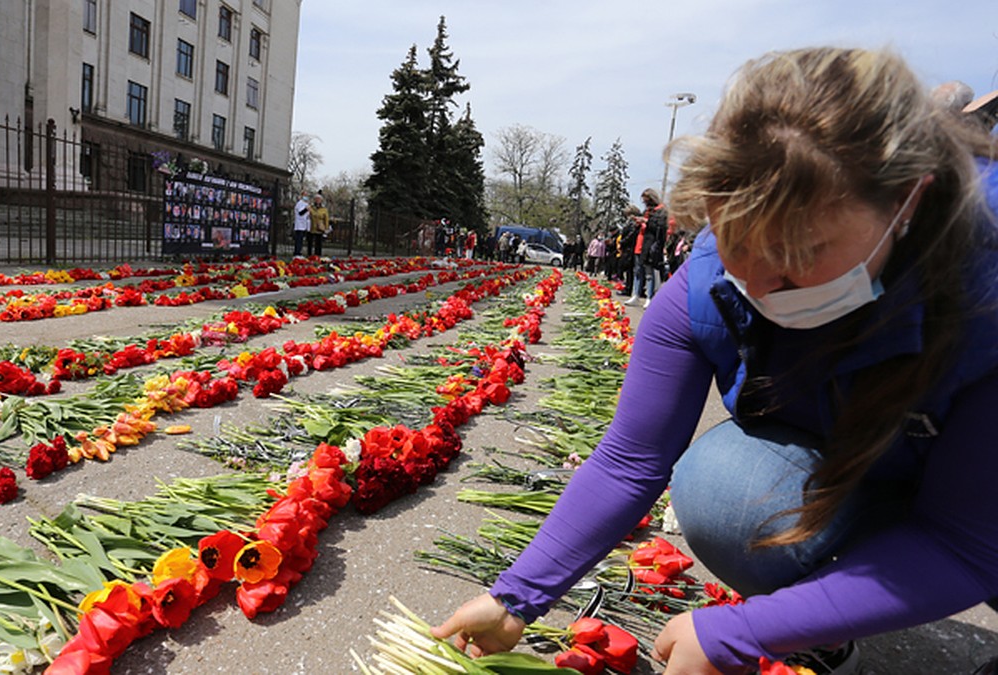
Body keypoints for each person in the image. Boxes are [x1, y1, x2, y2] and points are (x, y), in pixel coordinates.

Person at [433, 46, 998, 675]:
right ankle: (825, 617)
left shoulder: (987, 290)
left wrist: (750, 628)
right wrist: (516, 597)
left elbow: (967, 540)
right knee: (730, 496)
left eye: (796, 252)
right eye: (737, 244)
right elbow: (631, 457)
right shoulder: (709, 283)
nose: (757, 284)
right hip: (873, 456)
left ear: (908, 202)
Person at [630, 188, 668, 306]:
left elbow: (660, 228)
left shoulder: (661, 211)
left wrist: (646, 221)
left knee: (649, 273)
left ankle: (649, 296)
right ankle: (635, 294)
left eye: (646, 200)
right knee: (638, 271)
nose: (645, 203)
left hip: (651, 245)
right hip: (641, 244)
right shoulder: (647, 211)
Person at [309, 192, 330, 256]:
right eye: (316, 199)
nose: (317, 200)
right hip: (311, 227)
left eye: (319, 199)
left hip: (319, 227)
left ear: (321, 200)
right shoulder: (311, 207)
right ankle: (309, 254)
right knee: (310, 242)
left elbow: (326, 219)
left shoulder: (324, 209)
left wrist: (326, 228)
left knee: (318, 242)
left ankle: (318, 255)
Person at [292, 192, 311, 257]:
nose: (306, 196)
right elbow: (300, 213)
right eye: (305, 195)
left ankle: (299, 252)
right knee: (298, 239)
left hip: (304, 224)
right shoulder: (299, 203)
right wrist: (306, 209)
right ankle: (297, 252)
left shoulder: (306, 203)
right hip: (299, 224)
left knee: (301, 239)